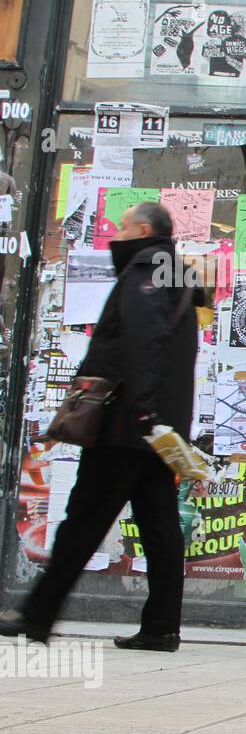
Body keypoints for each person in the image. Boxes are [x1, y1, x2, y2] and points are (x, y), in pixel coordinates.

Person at [0, 203, 200, 651]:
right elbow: (177, 355)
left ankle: (37, 616)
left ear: (144, 230)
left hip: (127, 427)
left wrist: (144, 412)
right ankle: (161, 628)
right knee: (161, 528)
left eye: (123, 226)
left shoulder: (145, 272)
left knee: (83, 521)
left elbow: (145, 344)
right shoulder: (178, 276)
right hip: (154, 433)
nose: (116, 232)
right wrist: (161, 422)